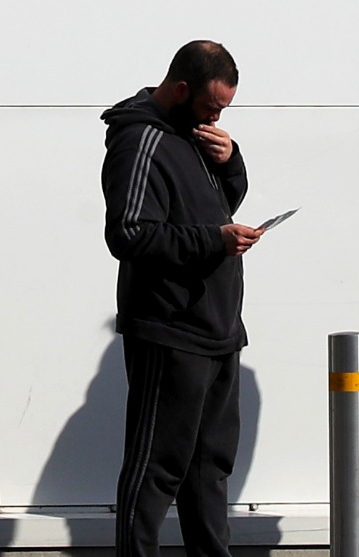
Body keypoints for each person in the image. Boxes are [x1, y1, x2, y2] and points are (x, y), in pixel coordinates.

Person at [101, 39, 270, 557]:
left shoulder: (192, 133)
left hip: (217, 329)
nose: (217, 116)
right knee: (157, 467)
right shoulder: (139, 141)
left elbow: (211, 205)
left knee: (210, 467)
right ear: (179, 89)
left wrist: (231, 162)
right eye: (211, 105)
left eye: (224, 108)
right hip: (170, 329)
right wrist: (214, 241)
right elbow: (128, 234)